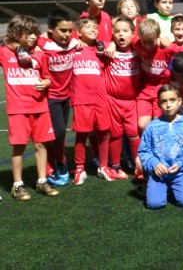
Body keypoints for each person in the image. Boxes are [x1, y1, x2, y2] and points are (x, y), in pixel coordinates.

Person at [0, 15, 59, 200]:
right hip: (18, 109)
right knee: (19, 147)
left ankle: (42, 181)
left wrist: (46, 83)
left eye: (35, 33)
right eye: (28, 33)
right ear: (17, 34)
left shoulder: (39, 54)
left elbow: (48, 77)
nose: (34, 37)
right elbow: (3, 41)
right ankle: (17, 185)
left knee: (42, 144)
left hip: (40, 107)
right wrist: (15, 46)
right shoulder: (5, 52)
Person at [138, 85, 183, 209]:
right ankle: (154, 186)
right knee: (154, 204)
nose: (168, 105)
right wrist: (154, 164)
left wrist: (182, 164)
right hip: (158, 174)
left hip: (179, 173)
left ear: (179, 101)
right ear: (159, 104)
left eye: (172, 100)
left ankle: (171, 189)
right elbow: (144, 151)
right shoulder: (152, 126)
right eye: (164, 101)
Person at [70, 16, 114, 184]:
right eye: (89, 27)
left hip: (100, 98)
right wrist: (74, 41)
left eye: (95, 27)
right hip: (81, 98)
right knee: (82, 134)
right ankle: (79, 168)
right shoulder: (73, 47)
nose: (94, 30)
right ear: (78, 32)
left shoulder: (100, 48)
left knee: (103, 132)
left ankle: (103, 166)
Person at [37, 10, 77, 186]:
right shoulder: (44, 44)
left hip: (66, 95)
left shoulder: (75, 41)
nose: (67, 34)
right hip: (50, 96)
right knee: (58, 131)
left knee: (59, 133)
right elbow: (16, 38)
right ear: (51, 29)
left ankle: (57, 161)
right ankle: (58, 161)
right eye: (62, 30)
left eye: (69, 30)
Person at [105, 16, 141, 179]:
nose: (121, 35)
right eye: (117, 31)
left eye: (125, 31)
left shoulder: (139, 50)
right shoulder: (108, 51)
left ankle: (138, 166)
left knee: (133, 133)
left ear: (133, 34)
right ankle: (115, 166)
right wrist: (110, 43)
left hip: (132, 101)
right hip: (112, 100)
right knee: (116, 134)